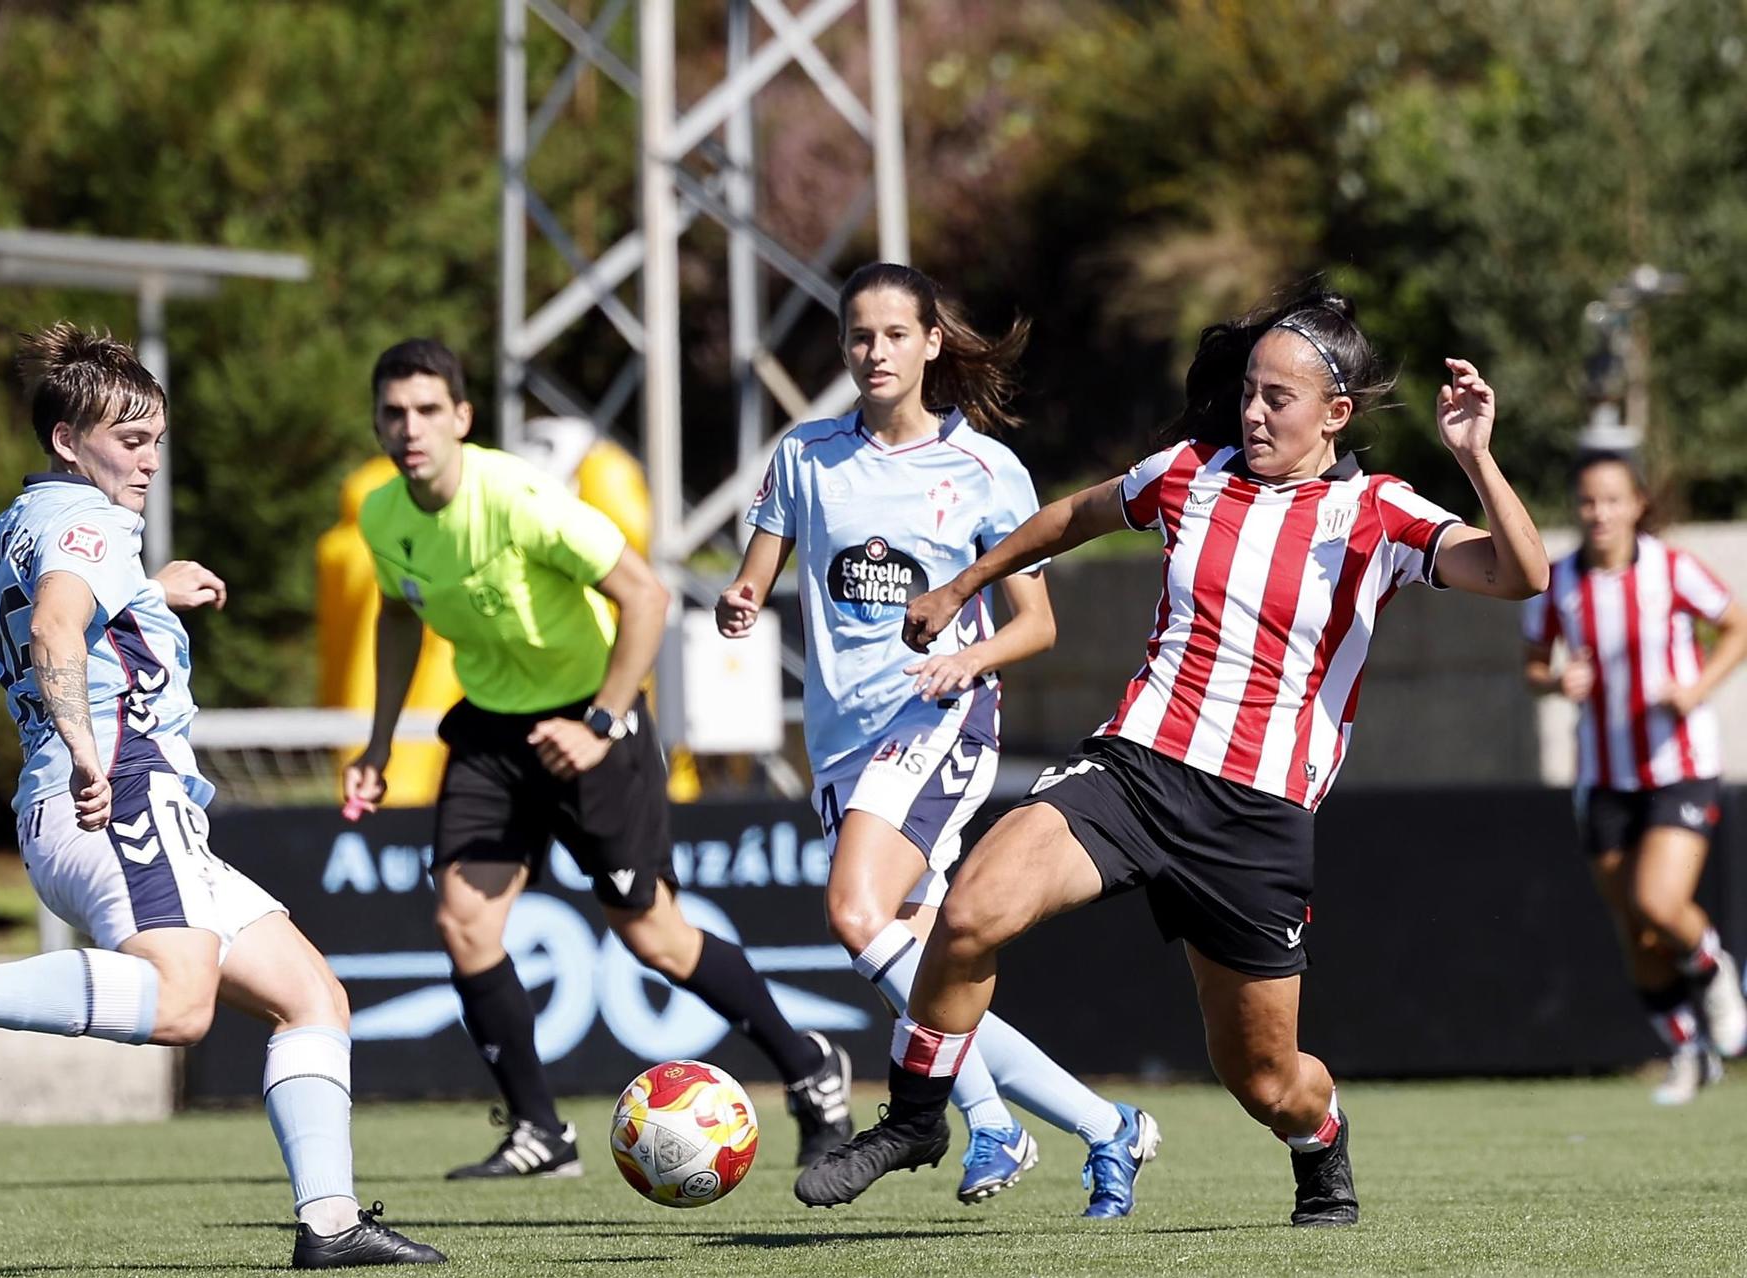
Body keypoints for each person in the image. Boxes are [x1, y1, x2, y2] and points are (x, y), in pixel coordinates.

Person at [797, 289, 1550, 1227]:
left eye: (1280, 398)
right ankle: (916, 1119)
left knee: (1265, 1080)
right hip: (1135, 768)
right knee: (971, 910)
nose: (1255, 412)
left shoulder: (1378, 514)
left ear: (1337, 414)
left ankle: (1321, 1144)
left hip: (1255, 819)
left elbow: (1521, 576)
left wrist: (1476, 457)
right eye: (1249, 392)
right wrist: (964, 583)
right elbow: (1073, 516)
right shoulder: (1190, 471)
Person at [0, 324, 440, 1269]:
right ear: (69, 440)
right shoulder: (89, 523)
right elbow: (59, 632)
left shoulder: (24, 521)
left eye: (155, 438)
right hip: (116, 793)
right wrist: (84, 750)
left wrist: (150, 593)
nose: (150, 459)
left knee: (311, 995)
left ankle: (330, 1224)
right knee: (181, 1007)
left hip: (132, 805)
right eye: (130, 440)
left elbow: (73, 609)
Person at [344, 338, 853, 1177]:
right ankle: (542, 1133)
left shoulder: (519, 499)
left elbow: (647, 596)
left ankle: (809, 1068)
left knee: (653, 936)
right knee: (464, 924)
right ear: (377, 422)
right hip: (492, 735)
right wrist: (376, 743)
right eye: (394, 413)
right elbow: (399, 617)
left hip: (594, 724)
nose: (411, 428)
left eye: (429, 410)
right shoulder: (384, 516)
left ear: (463, 419)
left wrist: (601, 723)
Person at [717, 262, 1159, 1213]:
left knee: (852, 913)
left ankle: (988, 1124)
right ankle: (1094, 1125)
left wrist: (971, 657)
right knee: (925, 970)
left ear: (930, 344)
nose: (873, 352)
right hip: (841, 742)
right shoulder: (806, 455)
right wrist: (743, 599)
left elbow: (1035, 626)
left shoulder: (986, 470)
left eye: (891, 335)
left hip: (939, 715)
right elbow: (757, 570)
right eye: (858, 336)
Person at [1522, 450, 1747, 1103]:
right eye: (1588, 501)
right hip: (1604, 775)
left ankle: (1712, 969)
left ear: (1638, 504)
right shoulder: (1559, 581)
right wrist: (1556, 679)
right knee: (1635, 929)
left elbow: (1735, 626)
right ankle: (1688, 1050)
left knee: (1658, 902)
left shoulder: (1672, 570)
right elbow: (1533, 666)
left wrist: (1698, 684)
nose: (1599, 513)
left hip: (1679, 765)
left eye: (1612, 499)